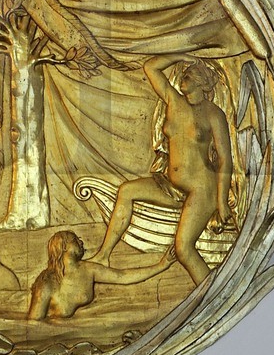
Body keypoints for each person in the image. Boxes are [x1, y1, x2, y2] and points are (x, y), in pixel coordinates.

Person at [91, 55, 233, 286]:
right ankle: (103, 256)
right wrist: (181, 55)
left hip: (202, 189)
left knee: (184, 249)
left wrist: (222, 201)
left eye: (189, 74)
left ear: (202, 82)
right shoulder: (173, 101)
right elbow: (150, 67)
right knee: (126, 191)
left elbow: (225, 160)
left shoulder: (214, 114)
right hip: (171, 185)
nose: (183, 76)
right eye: (184, 73)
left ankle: (213, 295)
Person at [28, 230, 173, 323]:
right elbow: (34, 323)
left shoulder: (88, 269)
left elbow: (122, 276)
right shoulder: (47, 281)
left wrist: (161, 265)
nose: (81, 242)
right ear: (64, 247)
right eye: (75, 240)